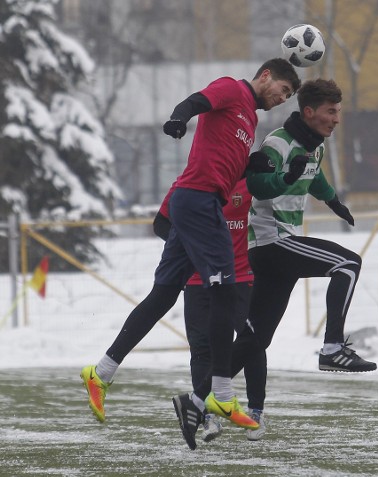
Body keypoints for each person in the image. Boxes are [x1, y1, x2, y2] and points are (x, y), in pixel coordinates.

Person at [80, 59, 301, 437]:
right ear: (265, 76)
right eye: (281, 91)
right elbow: (197, 101)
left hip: (196, 203)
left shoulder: (249, 118)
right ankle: (222, 394)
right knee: (225, 291)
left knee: (164, 294)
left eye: (286, 98)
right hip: (198, 202)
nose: (280, 100)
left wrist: (253, 164)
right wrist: (178, 119)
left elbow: (223, 164)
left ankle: (101, 372)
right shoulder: (233, 89)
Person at [227, 78, 376, 438]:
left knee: (255, 339)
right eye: (331, 111)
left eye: (338, 111)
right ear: (309, 112)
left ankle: (199, 399)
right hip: (272, 241)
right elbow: (257, 181)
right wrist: (282, 177)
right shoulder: (278, 141)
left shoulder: (314, 146)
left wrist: (333, 200)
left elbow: (314, 176)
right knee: (349, 264)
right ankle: (332, 347)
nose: (336, 119)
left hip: (280, 245)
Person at [154, 179, 255, 449]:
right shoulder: (187, 185)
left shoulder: (251, 183)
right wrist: (192, 248)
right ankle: (208, 415)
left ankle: (257, 410)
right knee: (201, 349)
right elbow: (160, 224)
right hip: (197, 281)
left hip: (238, 278)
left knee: (251, 341)